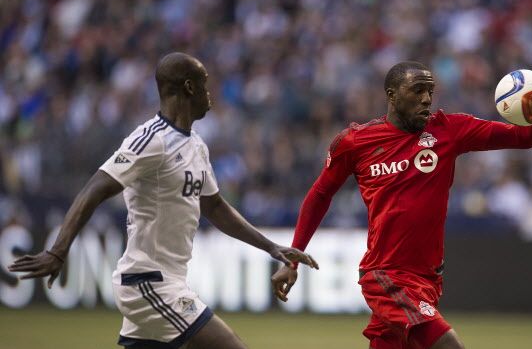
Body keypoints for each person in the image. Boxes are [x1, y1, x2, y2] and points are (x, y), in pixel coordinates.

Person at [8, 52, 319, 349]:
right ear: (188, 87)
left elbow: (214, 207)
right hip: (148, 283)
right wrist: (58, 251)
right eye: (204, 83)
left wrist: (271, 247)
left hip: (167, 281)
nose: (210, 92)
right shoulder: (149, 140)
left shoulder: (196, 145)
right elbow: (93, 189)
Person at [272, 45, 532, 349]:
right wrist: (292, 259)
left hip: (428, 279)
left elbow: (525, 137)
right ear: (392, 95)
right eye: (417, 90)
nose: (427, 98)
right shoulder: (355, 142)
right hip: (386, 275)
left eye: (430, 91)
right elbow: (319, 194)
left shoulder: (451, 129)